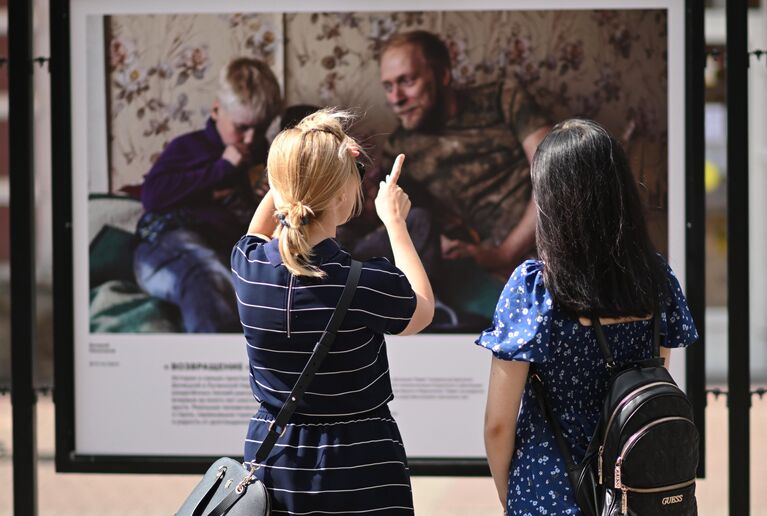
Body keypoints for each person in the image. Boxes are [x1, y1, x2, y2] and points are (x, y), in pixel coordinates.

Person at [477, 119, 698, 514]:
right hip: (635, 494)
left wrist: (511, 495)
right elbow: (650, 383)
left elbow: (498, 424)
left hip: (547, 488)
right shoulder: (654, 277)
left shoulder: (537, 288)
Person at [230, 109, 434, 515]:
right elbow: (422, 310)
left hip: (277, 460)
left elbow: (260, 227)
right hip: (360, 465)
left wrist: (299, 164)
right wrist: (395, 222)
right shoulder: (364, 283)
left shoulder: (247, 266)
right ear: (342, 198)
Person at [378, 30, 551, 279]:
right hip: (489, 268)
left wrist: (505, 253)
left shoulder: (502, 99)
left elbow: (555, 173)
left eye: (407, 81)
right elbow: (404, 223)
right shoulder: (399, 150)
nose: (396, 99)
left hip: (554, 232)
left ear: (443, 75)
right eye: (388, 86)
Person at [133, 57, 282, 333]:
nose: (250, 139)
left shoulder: (265, 158)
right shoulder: (189, 147)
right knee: (207, 273)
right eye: (241, 128)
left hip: (223, 249)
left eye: (259, 129)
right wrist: (221, 168)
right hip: (167, 240)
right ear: (216, 110)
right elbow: (151, 197)